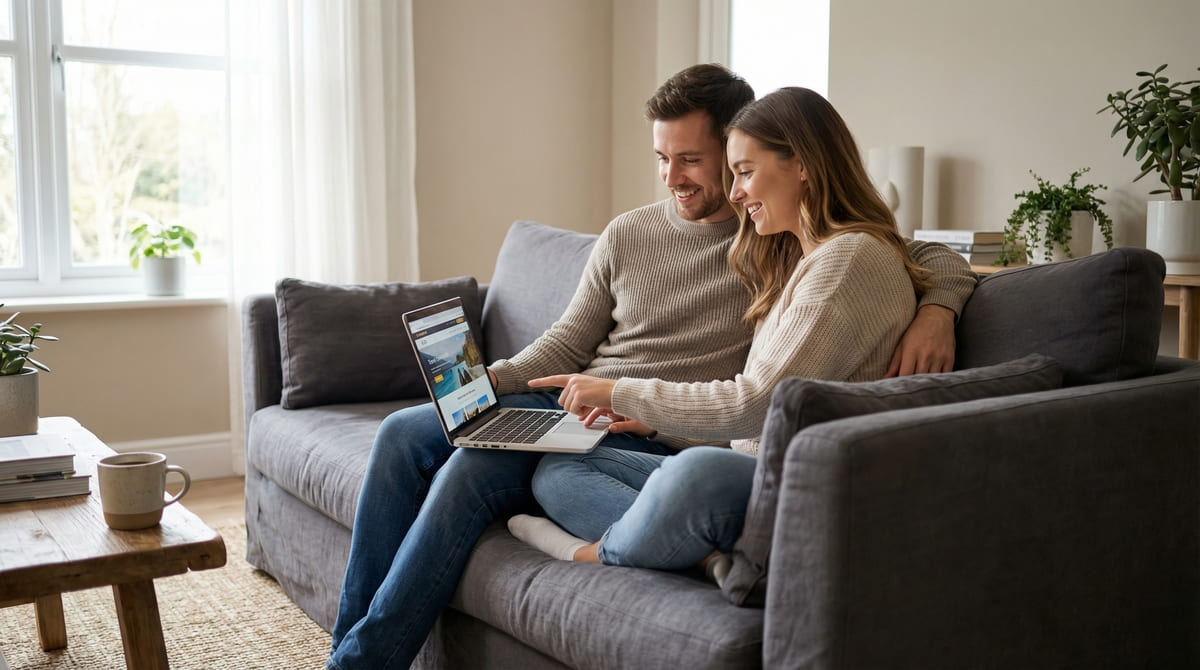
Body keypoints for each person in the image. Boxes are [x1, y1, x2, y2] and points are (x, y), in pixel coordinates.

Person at [328, 66, 975, 670]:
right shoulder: (635, 233)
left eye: (694, 160)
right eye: (663, 159)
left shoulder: (772, 240)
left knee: (474, 470)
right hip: (586, 401)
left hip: (660, 423)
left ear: (733, 154)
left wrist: (938, 309)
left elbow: (912, 253)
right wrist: (491, 380)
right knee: (402, 434)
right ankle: (349, 639)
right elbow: (568, 339)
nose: (674, 178)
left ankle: (364, 661)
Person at [509, 86, 930, 577]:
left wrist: (620, 389)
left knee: (694, 472)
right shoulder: (808, 254)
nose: (734, 193)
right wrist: (653, 423)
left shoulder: (847, 260)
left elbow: (755, 405)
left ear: (804, 165)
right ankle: (703, 558)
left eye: (746, 173)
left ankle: (593, 550)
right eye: (732, 175)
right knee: (561, 469)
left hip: (786, 483)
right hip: (741, 464)